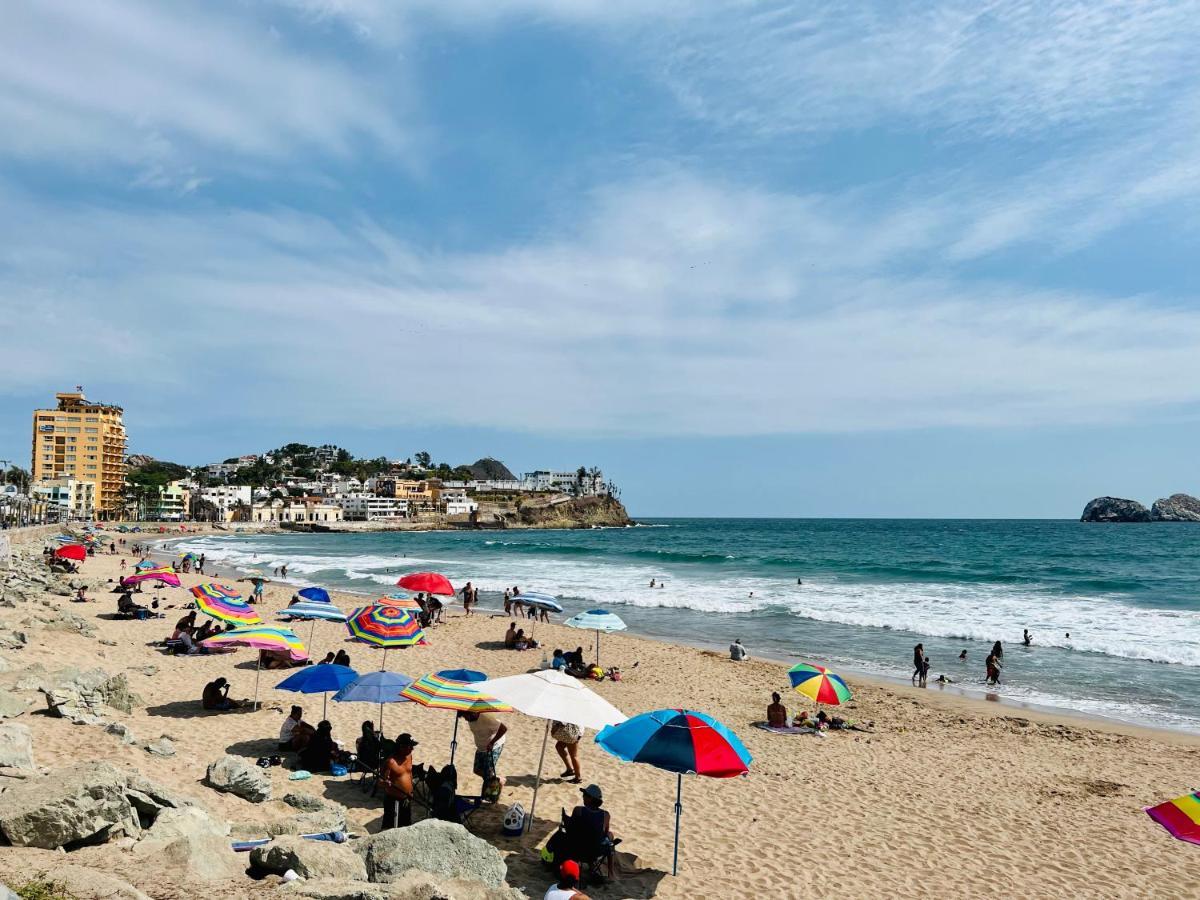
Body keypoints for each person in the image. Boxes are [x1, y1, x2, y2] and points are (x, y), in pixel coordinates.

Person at [567, 784, 615, 880]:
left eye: (584, 795)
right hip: (596, 852)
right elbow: (605, 833)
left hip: (577, 850)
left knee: (583, 836)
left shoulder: (578, 810)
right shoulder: (606, 815)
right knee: (610, 837)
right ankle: (611, 873)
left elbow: (571, 828)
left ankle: (585, 865)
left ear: (590, 798)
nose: (582, 796)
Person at [462, 710, 507, 790]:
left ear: (473, 712)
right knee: (477, 769)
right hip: (482, 747)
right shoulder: (470, 719)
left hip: (495, 745)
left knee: (488, 773)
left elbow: (503, 728)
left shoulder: (487, 718)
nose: (465, 719)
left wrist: (492, 743)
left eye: (465, 716)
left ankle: (493, 796)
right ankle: (499, 779)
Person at [381, 733, 418, 829]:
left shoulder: (409, 756)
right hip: (393, 801)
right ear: (401, 747)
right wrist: (385, 783)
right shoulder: (391, 762)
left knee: (406, 827)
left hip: (407, 799)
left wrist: (411, 790)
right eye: (410, 746)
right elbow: (380, 781)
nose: (412, 749)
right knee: (390, 828)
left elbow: (409, 773)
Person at [552, 719, 583, 784]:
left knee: (573, 755)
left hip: (572, 732)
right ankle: (570, 770)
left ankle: (578, 777)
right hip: (573, 731)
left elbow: (564, 721)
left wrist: (555, 727)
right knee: (559, 747)